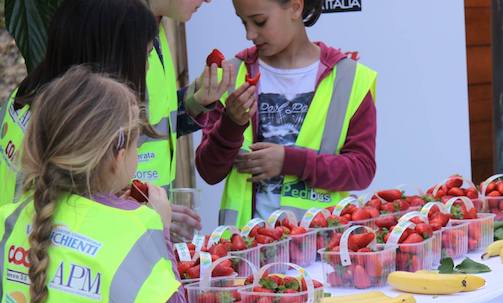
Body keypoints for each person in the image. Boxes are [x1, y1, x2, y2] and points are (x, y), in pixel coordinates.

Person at [0, 66, 187, 303]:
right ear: (116, 153)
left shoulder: (9, 219)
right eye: (137, 143)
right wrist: (162, 231)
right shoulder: (134, 230)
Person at [195, 0, 377, 227]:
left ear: (295, 7)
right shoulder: (231, 74)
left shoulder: (350, 78)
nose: (250, 34)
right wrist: (231, 124)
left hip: (322, 251)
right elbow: (209, 171)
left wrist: (289, 161)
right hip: (246, 250)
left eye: (259, 22)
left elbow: (362, 170)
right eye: (243, 22)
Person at [0, 0, 158, 207]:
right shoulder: (67, 132)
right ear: (113, 58)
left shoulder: (30, 95)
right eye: (144, 56)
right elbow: (66, 225)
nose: (146, 67)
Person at [143, 0, 235, 240]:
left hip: (146, 216)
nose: (208, 0)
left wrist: (196, 102)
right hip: (127, 222)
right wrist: (142, 207)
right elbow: (96, 146)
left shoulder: (156, 28)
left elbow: (151, 126)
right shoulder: (117, 30)